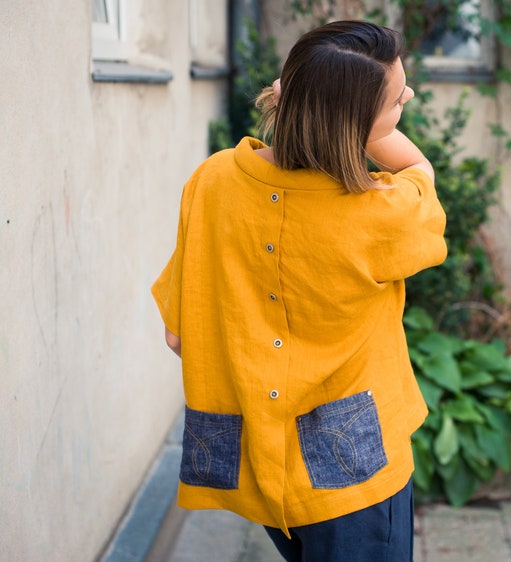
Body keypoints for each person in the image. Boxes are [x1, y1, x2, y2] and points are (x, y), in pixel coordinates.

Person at [151, 20, 447, 562]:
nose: (409, 95)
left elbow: (178, 334)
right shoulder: (385, 213)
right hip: (351, 470)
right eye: (398, 100)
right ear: (362, 128)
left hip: (253, 467)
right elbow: (420, 172)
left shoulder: (213, 180)